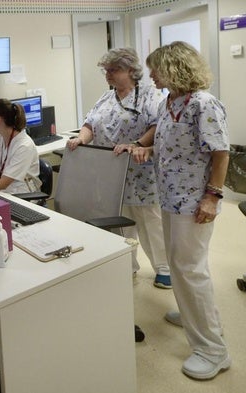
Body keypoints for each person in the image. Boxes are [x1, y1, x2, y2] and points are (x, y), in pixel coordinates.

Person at [133, 41, 231, 380]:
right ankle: (193, 314)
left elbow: (220, 153)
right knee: (180, 264)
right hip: (171, 197)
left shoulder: (203, 104)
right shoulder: (170, 102)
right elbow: (161, 137)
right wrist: (144, 147)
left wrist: (213, 197)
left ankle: (213, 350)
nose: (151, 76)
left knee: (190, 269)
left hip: (194, 201)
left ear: (174, 68)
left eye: (155, 69)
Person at [67, 48, 171, 289]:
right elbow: (90, 122)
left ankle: (164, 268)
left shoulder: (149, 96)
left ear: (131, 71)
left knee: (149, 221)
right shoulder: (106, 97)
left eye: (114, 70)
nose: (108, 75)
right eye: (106, 71)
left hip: (140, 168)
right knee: (120, 221)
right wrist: (82, 139)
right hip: (110, 172)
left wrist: (137, 144)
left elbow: (158, 125)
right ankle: (127, 264)